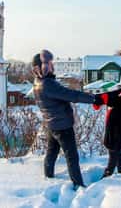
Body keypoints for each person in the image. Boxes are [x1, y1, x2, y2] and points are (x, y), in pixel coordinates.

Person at [32, 50, 103, 190]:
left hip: (51, 123)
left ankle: (48, 176)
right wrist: (94, 98)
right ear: (41, 68)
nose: (52, 67)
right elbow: (71, 95)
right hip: (62, 125)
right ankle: (78, 184)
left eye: (51, 64)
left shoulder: (37, 82)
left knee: (51, 152)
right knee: (72, 156)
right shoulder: (48, 84)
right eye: (48, 64)